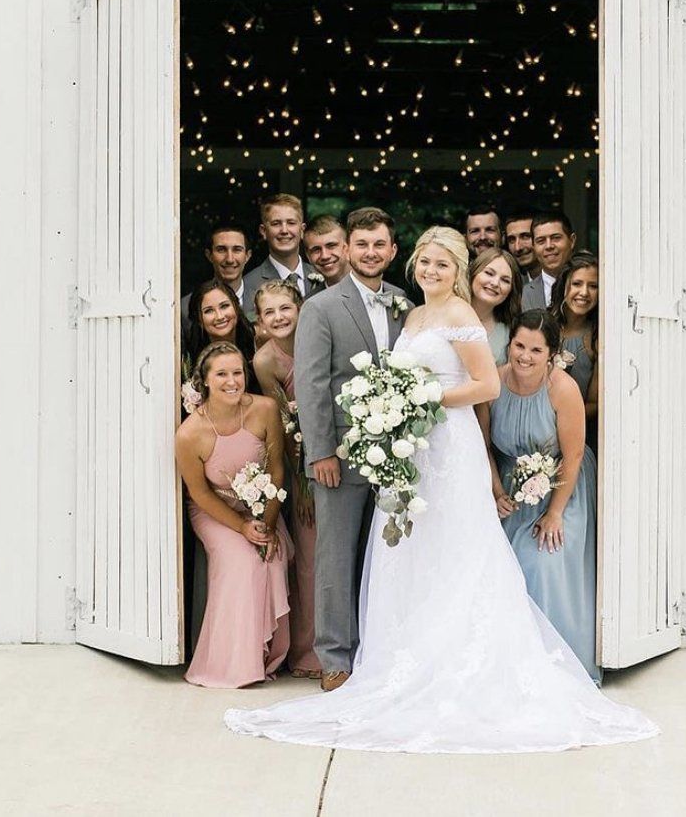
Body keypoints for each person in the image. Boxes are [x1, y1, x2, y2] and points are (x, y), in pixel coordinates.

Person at [225, 228, 657, 753]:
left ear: (457, 271)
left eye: (443, 265)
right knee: (409, 550)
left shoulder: (459, 315)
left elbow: (487, 386)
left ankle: (456, 661)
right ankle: (404, 656)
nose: (431, 271)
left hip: (449, 448)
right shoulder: (413, 317)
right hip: (413, 451)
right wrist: (397, 405)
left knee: (455, 550)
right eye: (425, 262)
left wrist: (423, 397)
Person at [290, 206, 410, 692]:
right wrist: (321, 453)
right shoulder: (321, 307)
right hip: (339, 453)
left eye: (379, 244)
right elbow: (313, 384)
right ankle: (335, 657)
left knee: (387, 556)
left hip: (397, 452)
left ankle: (380, 650)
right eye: (361, 244)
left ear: (392, 250)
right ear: (346, 249)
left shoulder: (404, 301)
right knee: (336, 557)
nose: (370, 252)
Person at [482, 311, 600, 682]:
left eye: (536, 349)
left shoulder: (561, 388)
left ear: (550, 353)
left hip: (563, 486)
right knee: (495, 564)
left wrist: (554, 514)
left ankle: (552, 665)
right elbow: (482, 444)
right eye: (519, 346)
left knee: (541, 562)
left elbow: (574, 454)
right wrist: (496, 491)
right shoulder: (493, 382)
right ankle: (504, 665)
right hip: (508, 487)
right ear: (509, 344)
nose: (525, 356)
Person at [175, 342, 292, 688]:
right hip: (215, 511)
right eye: (222, 374)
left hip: (261, 506)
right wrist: (242, 527)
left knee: (273, 556)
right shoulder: (189, 433)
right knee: (242, 561)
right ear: (206, 381)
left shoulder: (266, 409)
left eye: (238, 372)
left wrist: (267, 526)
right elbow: (198, 493)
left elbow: (277, 470)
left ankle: (268, 654)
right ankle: (232, 665)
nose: (232, 381)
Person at [252, 280, 320, 680]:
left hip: (340, 454)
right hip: (299, 465)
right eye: (269, 312)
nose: (279, 317)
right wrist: (303, 487)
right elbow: (285, 426)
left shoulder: (318, 337)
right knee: (309, 560)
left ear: (300, 308)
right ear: (260, 320)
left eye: (285, 309)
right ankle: (308, 651)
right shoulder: (265, 362)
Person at [242, 194, 325, 318]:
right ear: (263, 231)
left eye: (291, 223)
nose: (284, 230)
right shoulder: (249, 285)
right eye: (276, 223)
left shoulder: (323, 277)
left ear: (302, 230)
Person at [550, 252, 599, 447]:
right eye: (577, 284)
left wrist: (557, 420)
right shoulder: (544, 325)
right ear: (564, 286)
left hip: (577, 435)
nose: (584, 292)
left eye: (593, 286)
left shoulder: (598, 337)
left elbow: (595, 404)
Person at [180, 225, 252, 339]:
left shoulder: (264, 300)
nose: (230, 259)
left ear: (247, 256)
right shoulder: (184, 308)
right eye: (221, 250)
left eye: (237, 250)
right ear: (209, 255)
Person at [184, 279, 257, 391]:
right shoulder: (190, 364)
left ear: (236, 307)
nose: (219, 316)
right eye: (209, 311)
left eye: (224, 306)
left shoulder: (257, 345)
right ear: (199, 319)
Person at [468, 246, 523, 365]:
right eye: (489, 273)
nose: (495, 283)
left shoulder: (510, 332)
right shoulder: (446, 313)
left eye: (505, 280)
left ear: (510, 291)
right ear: (473, 273)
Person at [521, 211, 577, 311]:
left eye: (556, 238)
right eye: (541, 241)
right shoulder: (523, 295)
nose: (549, 246)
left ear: (572, 241)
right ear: (534, 247)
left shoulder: (592, 286)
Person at [303, 214, 350, 286]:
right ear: (308, 256)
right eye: (316, 250)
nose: (325, 256)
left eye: (331, 246)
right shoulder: (313, 297)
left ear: (347, 247)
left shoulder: (371, 288)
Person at [505, 211, 540, 282]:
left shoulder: (566, 282)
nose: (518, 248)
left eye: (525, 236)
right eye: (512, 240)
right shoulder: (514, 286)